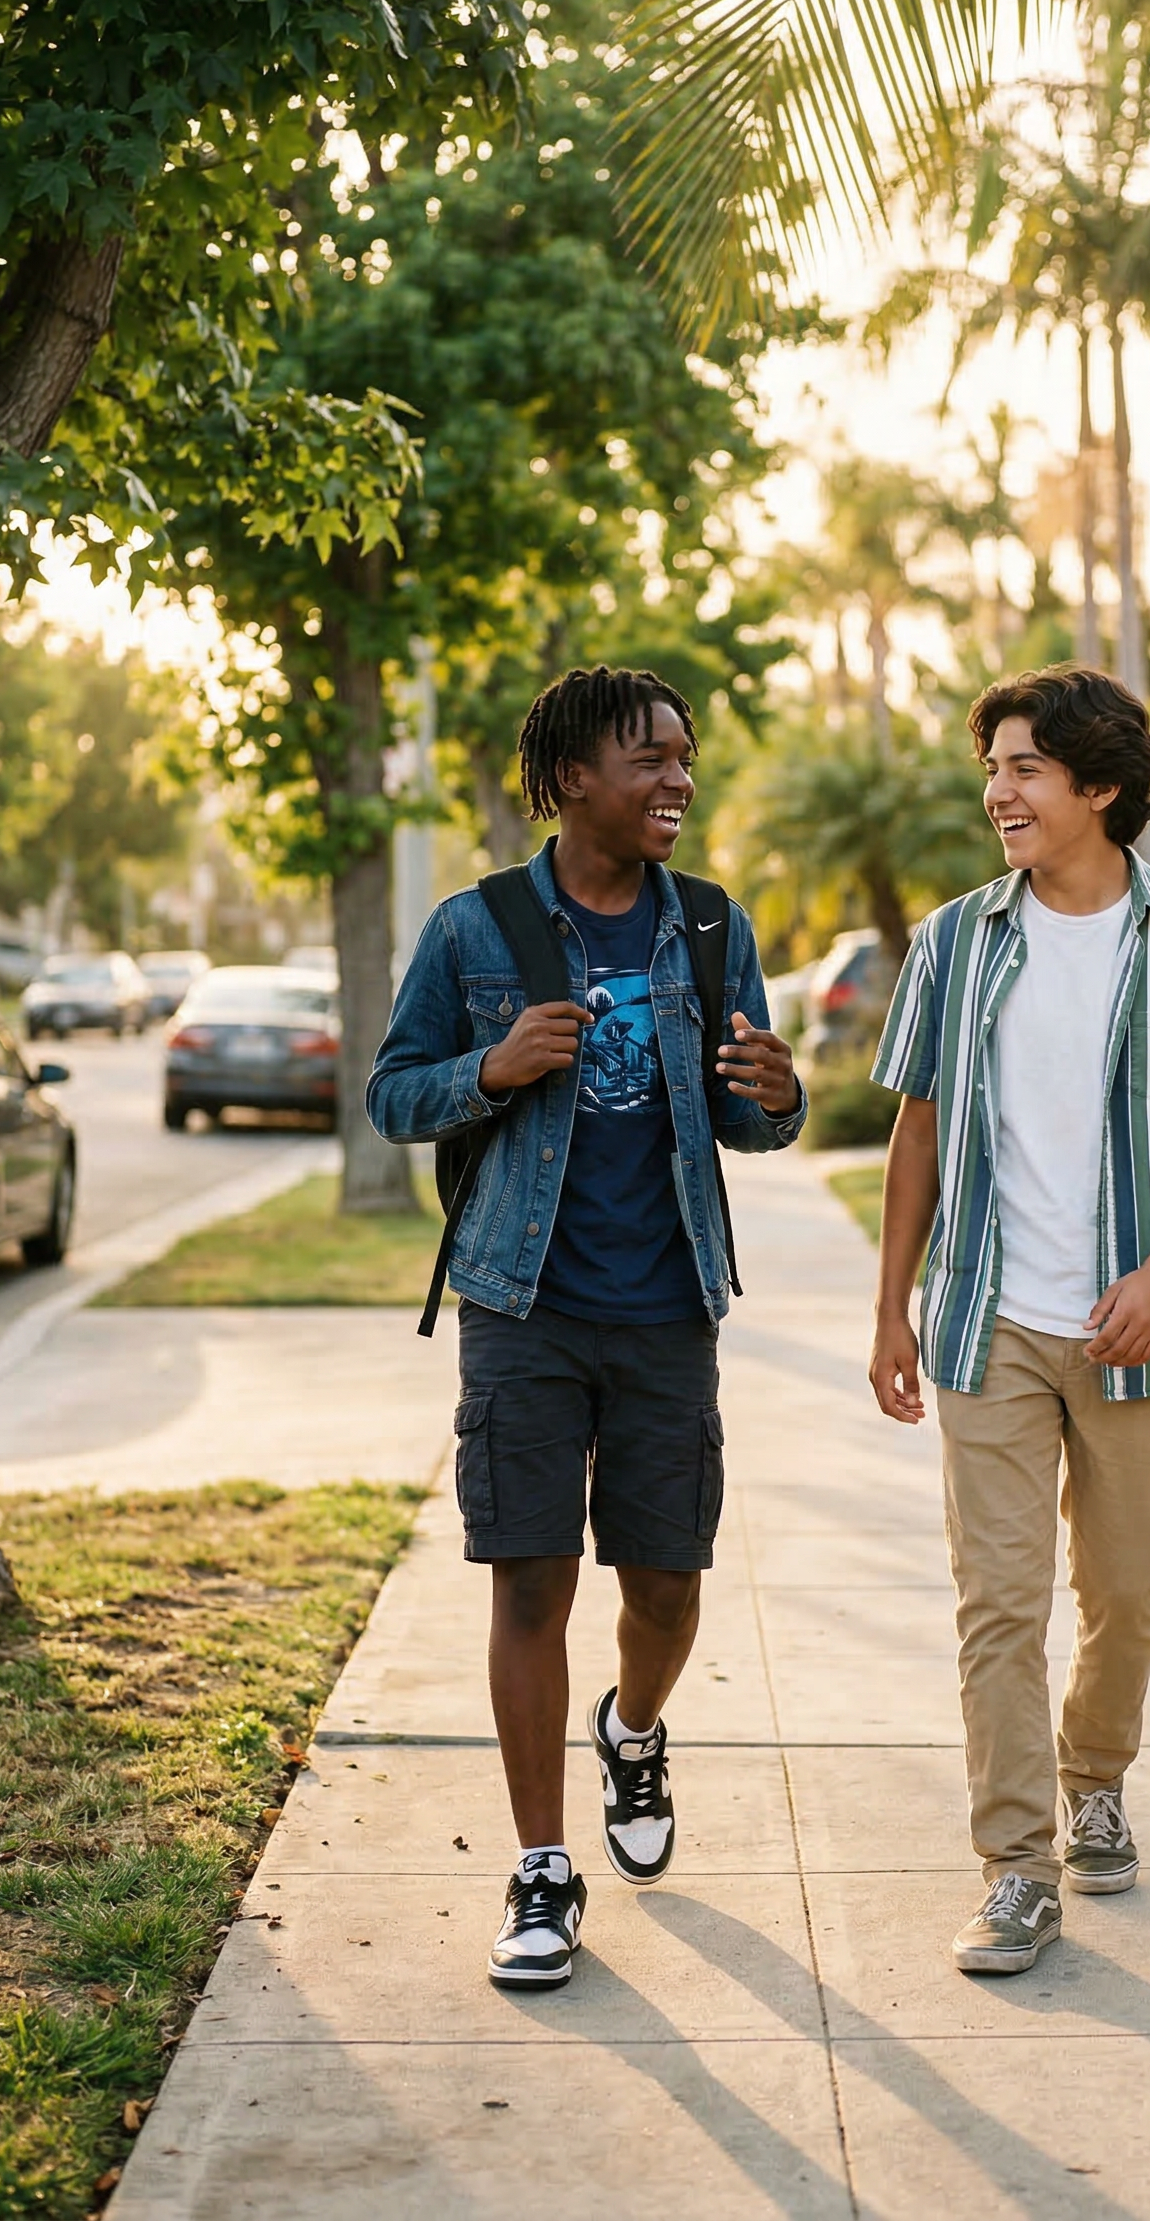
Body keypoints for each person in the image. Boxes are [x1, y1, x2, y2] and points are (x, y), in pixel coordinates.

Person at [367, 666, 805, 1990]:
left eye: (684, 756)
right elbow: (393, 1098)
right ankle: (542, 1870)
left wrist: (780, 1094)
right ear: (570, 778)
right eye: (647, 758)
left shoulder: (715, 928)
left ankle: (635, 1726)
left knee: (666, 1584)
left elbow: (750, 1119)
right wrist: (487, 1070)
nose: (677, 778)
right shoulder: (476, 928)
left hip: (670, 1308)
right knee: (531, 1580)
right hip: (524, 1306)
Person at [867, 664, 1150, 1976]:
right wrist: (893, 1306)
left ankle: (1096, 1779)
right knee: (998, 1604)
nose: (1000, 790)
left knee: (1121, 1592)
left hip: (1133, 1328)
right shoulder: (955, 940)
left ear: (1100, 785)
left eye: (1027, 766)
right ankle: (1015, 1865)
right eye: (992, 765)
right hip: (990, 1314)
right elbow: (917, 1128)